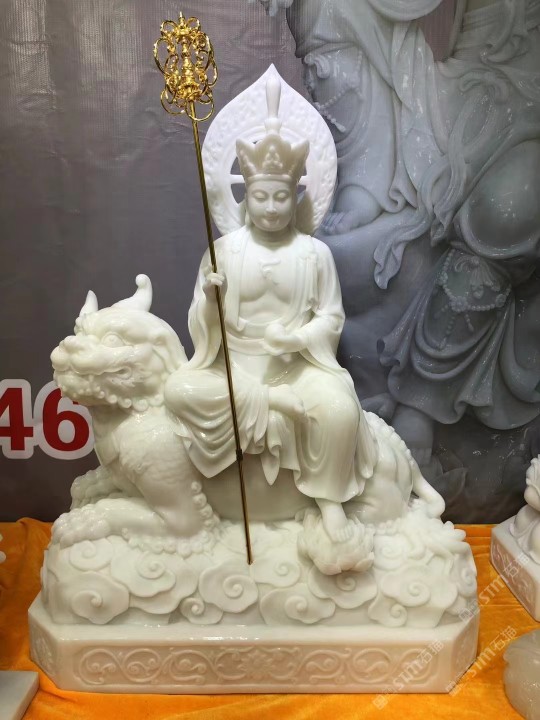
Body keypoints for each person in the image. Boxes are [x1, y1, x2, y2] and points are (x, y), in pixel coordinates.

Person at [164, 92, 376, 543]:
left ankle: (329, 501)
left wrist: (297, 340)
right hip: (236, 369)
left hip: (296, 367)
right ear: (247, 196)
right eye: (261, 197)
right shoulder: (223, 251)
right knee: (179, 390)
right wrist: (210, 301)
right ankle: (268, 404)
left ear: (296, 196)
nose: (273, 207)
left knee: (340, 410)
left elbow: (331, 318)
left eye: (282, 197)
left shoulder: (314, 254)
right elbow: (202, 328)